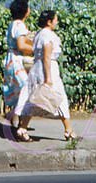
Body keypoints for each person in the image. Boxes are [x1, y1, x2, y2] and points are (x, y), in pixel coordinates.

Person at [28, 8, 78, 141]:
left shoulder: (39, 34)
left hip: (38, 68)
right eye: (55, 20)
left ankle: (22, 127)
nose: (57, 22)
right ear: (49, 22)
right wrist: (48, 78)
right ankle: (68, 130)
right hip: (48, 69)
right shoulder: (48, 36)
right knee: (59, 98)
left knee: (35, 99)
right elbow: (47, 56)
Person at [2, 0, 35, 142]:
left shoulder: (13, 24)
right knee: (27, 91)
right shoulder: (20, 25)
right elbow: (21, 45)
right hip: (17, 61)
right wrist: (36, 49)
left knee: (18, 91)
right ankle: (20, 125)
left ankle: (17, 121)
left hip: (10, 59)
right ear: (25, 11)